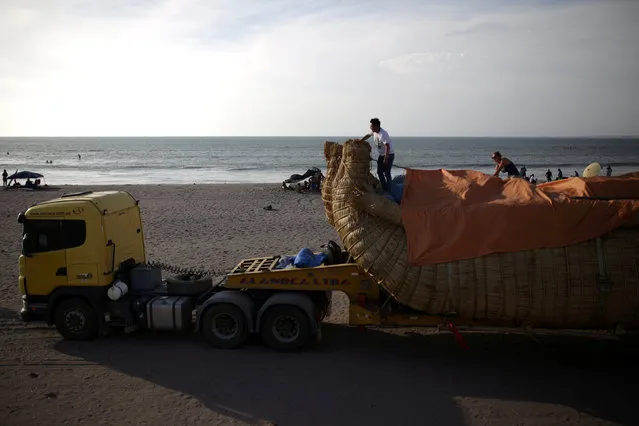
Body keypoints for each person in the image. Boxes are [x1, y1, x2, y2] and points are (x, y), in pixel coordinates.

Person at [361, 118, 395, 191]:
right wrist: (360, 140)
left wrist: (386, 159)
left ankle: (389, 190)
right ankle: (384, 188)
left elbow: (387, 147)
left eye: (371, 126)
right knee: (379, 172)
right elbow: (368, 135)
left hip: (389, 155)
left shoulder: (383, 134)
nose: (370, 127)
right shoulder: (374, 132)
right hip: (381, 155)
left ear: (376, 126)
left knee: (387, 173)